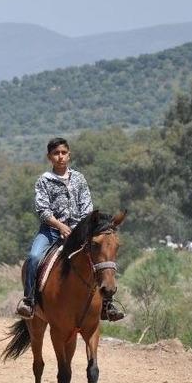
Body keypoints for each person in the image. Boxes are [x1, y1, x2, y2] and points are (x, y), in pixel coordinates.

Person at [15, 137, 123, 321]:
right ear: (49, 157)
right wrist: (60, 226)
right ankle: (29, 300)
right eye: (56, 153)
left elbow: (87, 208)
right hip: (50, 232)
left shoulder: (79, 179)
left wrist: (79, 229)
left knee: (100, 257)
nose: (60, 157)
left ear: (69, 155)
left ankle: (107, 304)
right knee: (33, 257)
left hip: (79, 232)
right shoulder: (44, 181)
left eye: (63, 153)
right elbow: (42, 210)